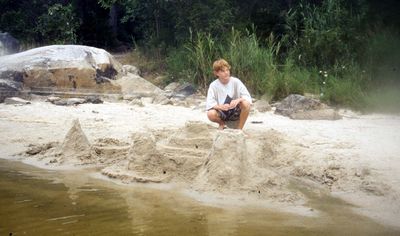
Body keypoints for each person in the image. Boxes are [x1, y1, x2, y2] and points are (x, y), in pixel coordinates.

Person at [206, 59, 252, 130]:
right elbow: (210, 103)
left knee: (246, 104)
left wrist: (238, 100)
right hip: (222, 112)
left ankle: (239, 129)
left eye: (227, 70)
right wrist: (220, 107)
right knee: (210, 114)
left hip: (235, 111)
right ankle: (222, 123)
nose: (226, 73)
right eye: (223, 71)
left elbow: (247, 97)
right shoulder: (213, 85)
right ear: (216, 73)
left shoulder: (236, 81)